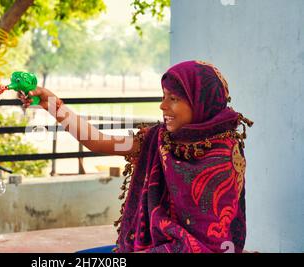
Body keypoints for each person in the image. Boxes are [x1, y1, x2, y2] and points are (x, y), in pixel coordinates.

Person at [18, 60, 253, 253]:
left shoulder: (224, 154)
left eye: (174, 99)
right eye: (163, 96)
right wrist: (49, 101)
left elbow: (212, 241)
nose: (162, 106)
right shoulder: (157, 139)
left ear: (201, 102)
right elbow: (96, 141)